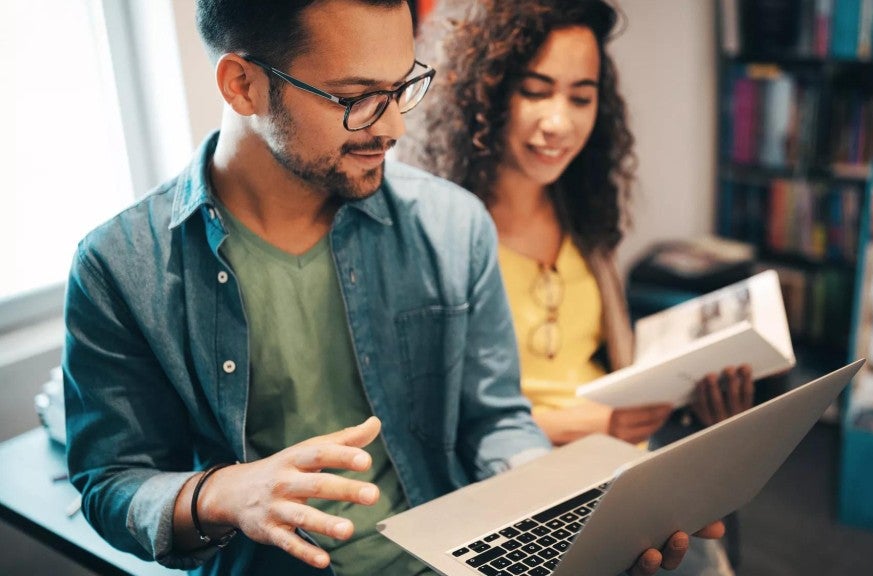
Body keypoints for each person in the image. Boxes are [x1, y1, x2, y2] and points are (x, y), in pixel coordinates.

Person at [62, 1, 718, 575]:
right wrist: (222, 495)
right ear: (243, 85)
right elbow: (110, 482)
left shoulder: (452, 224)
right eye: (356, 98)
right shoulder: (120, 265)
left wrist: (556, 507)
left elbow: (495, 419)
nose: (394, 128)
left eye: (402, 87)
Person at [404, 0, 754, 573]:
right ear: (487, 94)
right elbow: (433, 422)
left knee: (702, 558)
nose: (559, 122)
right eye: (536, 90)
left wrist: (692, 391)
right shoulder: (441, 234)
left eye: (581, 96)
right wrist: (591, 424)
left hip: (625, 466)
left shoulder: (585, 221)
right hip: (515, 485)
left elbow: (608, 363)